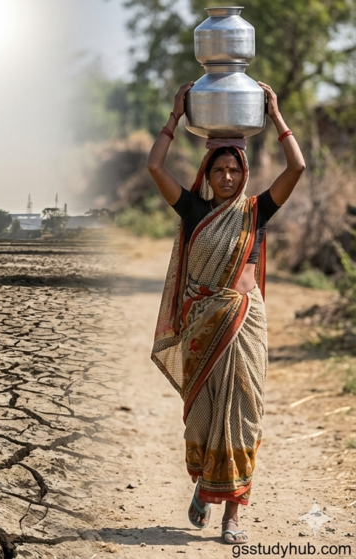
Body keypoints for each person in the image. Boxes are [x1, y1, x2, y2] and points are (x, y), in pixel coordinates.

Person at [146, 81, 305, 544]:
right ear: (207, 173)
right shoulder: (193, 210)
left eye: (236, 170)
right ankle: (203, 485)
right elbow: (155, 164)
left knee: (246, 416)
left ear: (244, 172)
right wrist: (175, 117)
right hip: (204, 327)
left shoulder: (257, 211)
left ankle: (232, 516)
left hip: (246, 327)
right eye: (220, 170)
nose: (229, 178)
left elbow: (297, 166)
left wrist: (275, 115)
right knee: (205, 415)